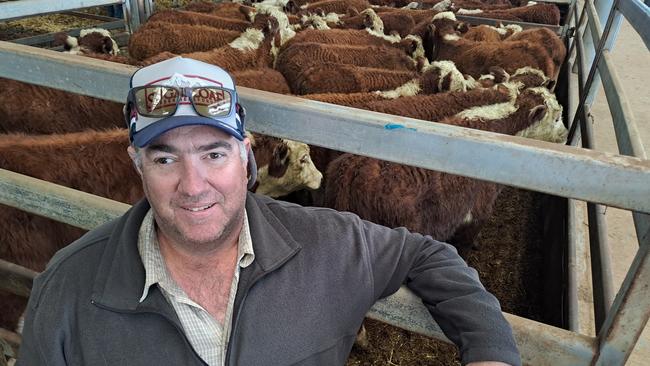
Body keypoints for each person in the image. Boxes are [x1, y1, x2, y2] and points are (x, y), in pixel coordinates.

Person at [17, 57, 520, 366]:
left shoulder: (328, 244)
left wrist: (492, 350)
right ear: (137, 164)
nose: (194, 186)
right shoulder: (67, 288)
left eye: (214, 153)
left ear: (247, 155)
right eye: (165, 157)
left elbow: (427, 256)